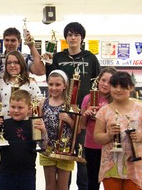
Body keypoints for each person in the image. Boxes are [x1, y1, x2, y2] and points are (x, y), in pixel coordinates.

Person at [45, 22, 101, 190]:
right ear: (66, 38)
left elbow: (96, 86)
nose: (73, 37)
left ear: (82, 38)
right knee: (63, 157)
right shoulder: (58, 57)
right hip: (63, 113)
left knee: (83, 161)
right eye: (69, 35)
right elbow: (52, 82)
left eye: (76, 34)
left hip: (83, 115)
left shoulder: (91, 58)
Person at [94, 71, 142, 190]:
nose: (118, 90)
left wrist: (141, 137)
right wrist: (109, 135)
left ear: (131, 87)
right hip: (110, 164)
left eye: (123, 86)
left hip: (135, 165)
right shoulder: (103, 111)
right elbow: (97, 137)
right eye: (115, 86)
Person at [0, 90, 47, 190]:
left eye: (20, 107)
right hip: (6, 173)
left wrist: (43, 131)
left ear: (29, 108)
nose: (16, 110)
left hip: (27, 174)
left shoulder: (34, 125)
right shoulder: (4, 124)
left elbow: (43, 147)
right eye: (13, 107)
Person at [81, 67, 117, 190]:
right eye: (103, 80)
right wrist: (86, 113)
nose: (105, 84)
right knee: (92, 181)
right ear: (98, 80)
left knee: (111, 182)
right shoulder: (88, 98)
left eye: (110, 82)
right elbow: (82, 125)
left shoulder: (116, 101)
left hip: (110, 147)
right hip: (91, 146)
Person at [38, 70, 75, 190]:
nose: (54, 88)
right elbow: (38, 123)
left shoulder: (71, 106)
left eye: (58, 85)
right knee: (50, 186)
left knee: (63, 186)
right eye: (51, 84)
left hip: (65, 149)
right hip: (47, 148)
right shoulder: (43, 103)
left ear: (65, 85)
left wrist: (69, 120)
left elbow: (78, 130)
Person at [0, 50, 42, 119]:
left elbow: (39, 103)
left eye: (16, 62)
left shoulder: (30, 83)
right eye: (9, 63)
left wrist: (31, 111)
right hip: (5, 124)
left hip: (24, 124)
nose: (12, 65)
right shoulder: (1, 83)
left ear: (21, 64)